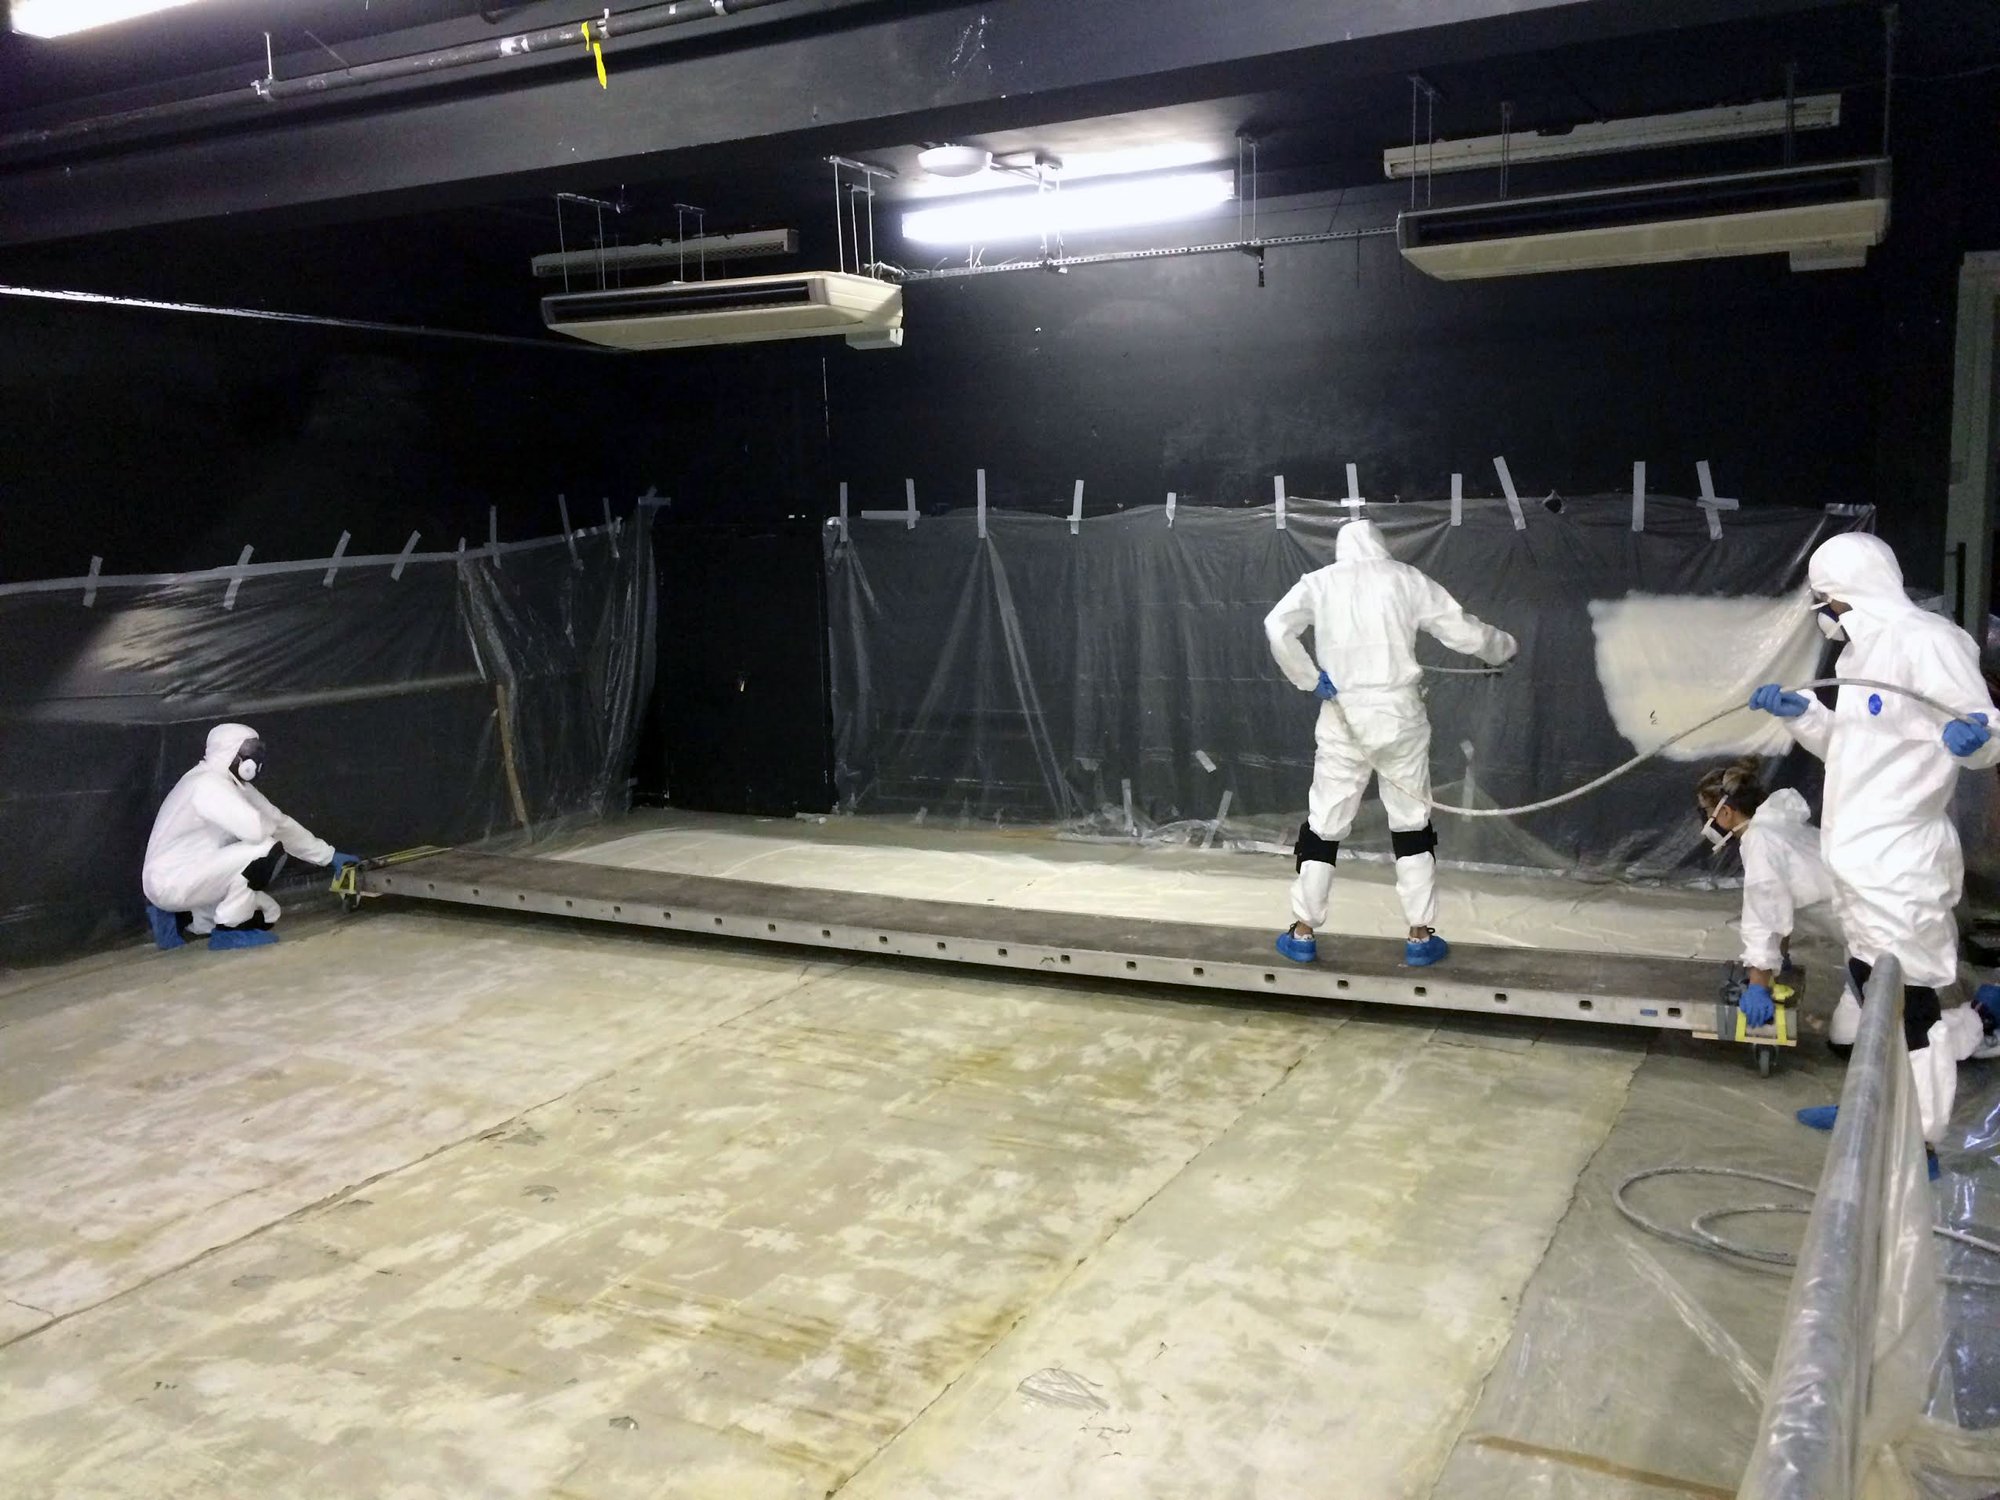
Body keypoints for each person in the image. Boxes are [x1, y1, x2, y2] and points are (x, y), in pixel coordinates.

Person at [1749, 532, 2000, 1153]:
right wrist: (1799, 713)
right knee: (1867, 986)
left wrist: (1980, 745)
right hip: (1857, 856)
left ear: (1849, 594)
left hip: (1902, 858)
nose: (1824, 616)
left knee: (1913, 1008)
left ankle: (1919, 1141)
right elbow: (1850, 747)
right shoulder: (1859, 657)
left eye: (1825, 602)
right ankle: (1871, 1107)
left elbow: (1981, 724)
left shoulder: (1929, 642)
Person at [1263, 518, 1518, 968]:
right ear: (1381, 545)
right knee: (1411, 824)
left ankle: (1302, 931)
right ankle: (1420, 935)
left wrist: (1308, 678)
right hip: (1400, 718)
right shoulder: (1405, 579)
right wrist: (1503, 649)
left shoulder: (1318, 584)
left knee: (1324, 824)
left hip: (1343, 717)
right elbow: (1462, 629)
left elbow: (1276, 625)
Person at [141, 723, 357, 951]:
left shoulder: (229, 784)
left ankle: (180, 919)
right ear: (229, 752)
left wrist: (328, 855)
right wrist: (265, 822)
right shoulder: (207, 785)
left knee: (267, 915)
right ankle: (229, 932)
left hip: (190, 874)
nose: (255, 758)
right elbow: (256, 829)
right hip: (172, 880)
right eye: (249, 750)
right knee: (265, 850)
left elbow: (279, 822)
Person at [1694, 757, 1833, 1029]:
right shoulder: (1775, 824)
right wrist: (1779, 955)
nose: (1707, 820)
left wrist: (1758, 984)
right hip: (1861, 916)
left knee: (1865, 1026)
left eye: (1707, 811)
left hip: (1864, 927)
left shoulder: (1760, 841)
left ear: (1725, 813)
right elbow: (1783, 899)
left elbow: (1765, 911)